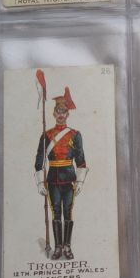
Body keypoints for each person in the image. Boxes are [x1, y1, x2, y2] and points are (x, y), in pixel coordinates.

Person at [34, 87, 88, 260]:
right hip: (52, 180)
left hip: (69, 179)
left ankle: (67, 246)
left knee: (68, 212)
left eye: (63, 112)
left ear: (67, 114)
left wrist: (80, 181)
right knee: (56, 212)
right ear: (53, 113)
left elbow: (81, 160)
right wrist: (40, 182)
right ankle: (58, 247)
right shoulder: (47, 135)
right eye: (58, 111)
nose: (61, 114)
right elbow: (40, 159)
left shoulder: (75, 135)